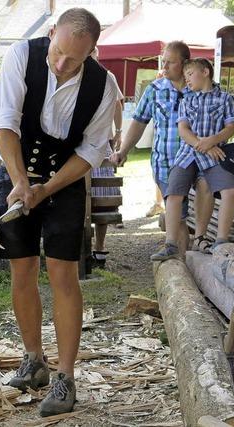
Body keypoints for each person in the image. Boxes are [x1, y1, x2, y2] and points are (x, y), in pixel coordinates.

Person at [0, 8, 118, 417]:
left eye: (75, 60)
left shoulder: (104, 85)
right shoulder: (21, 57)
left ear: (92, 53)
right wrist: (20, 183)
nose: (62, 65)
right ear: (51, 35)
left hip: (63, 182)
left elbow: (90, 151)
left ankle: (65, 376)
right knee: (22, 268)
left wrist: (47, 187)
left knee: (63, 274)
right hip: (15, 172)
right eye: (59, 52)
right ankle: (34, 360)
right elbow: (5, 123)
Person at [111, 41, 216, 255]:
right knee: (178, 219)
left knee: (203, 196)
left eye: (170, 62)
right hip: (166, 162)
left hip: (201, 159)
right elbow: (139, 122)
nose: (164, 67)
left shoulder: (203, 88)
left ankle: (198, 246)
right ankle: (182, 269)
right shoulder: (154, 90)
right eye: (163, 61)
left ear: (185, 63)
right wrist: (123, 151)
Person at [151, 58, 234, 261]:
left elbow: (231, 127)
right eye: (185, 76)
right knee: (173, 192)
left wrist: (213, 141)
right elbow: (183, 130)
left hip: (216, 153)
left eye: (190, 74)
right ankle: (171, 244)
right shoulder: (186, 100)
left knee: (230, 190)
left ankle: (220, 241)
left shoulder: (225, 99)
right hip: (188, 153)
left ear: (206, 72)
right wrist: (204, 145)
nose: (187, 80)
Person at [88, 47, 125, 267]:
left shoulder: (106, 77)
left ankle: (99, 247)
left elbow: (117, 104)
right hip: (83, 143)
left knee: (103, 197)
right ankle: (86, 247)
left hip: (102, 142)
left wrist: (118, 132)